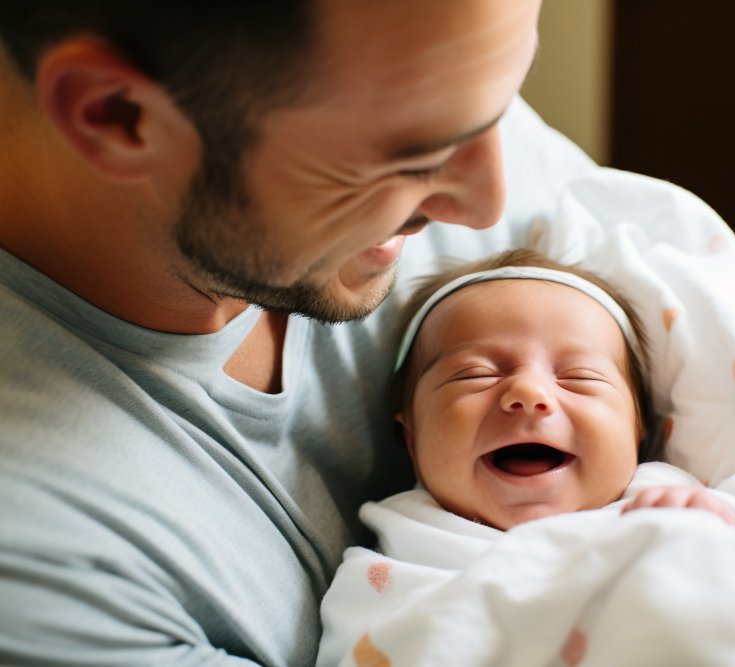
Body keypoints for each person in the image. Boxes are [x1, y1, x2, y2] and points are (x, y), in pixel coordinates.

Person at [0, 1, 599, 664]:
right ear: (117, 115)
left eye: (507, 96)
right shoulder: (47, 567)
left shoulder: (431, 68)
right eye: (414, 157)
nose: (487, 203)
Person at [315, 249, 735, 664]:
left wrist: (702, 534)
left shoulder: (664, 501)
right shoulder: (400, 554)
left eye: (580, 378)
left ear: (639, 431)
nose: (528, 392)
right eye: (477, 374)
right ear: (410, 436)